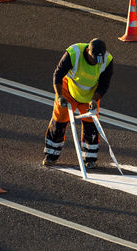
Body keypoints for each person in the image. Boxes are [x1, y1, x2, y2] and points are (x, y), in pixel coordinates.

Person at [42, 38, 114, 169]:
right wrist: (60, 96)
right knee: (59, 121)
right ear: (87, 51)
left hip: (90, 96)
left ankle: (90, 159)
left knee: (91, 125)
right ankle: (51, 156)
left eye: (99, 59)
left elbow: (104, 84)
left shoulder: (107, 60)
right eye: (93, 58)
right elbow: (58, 74)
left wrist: (94, 99)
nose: (96, 62)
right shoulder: (74, 54)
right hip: (68, 91)